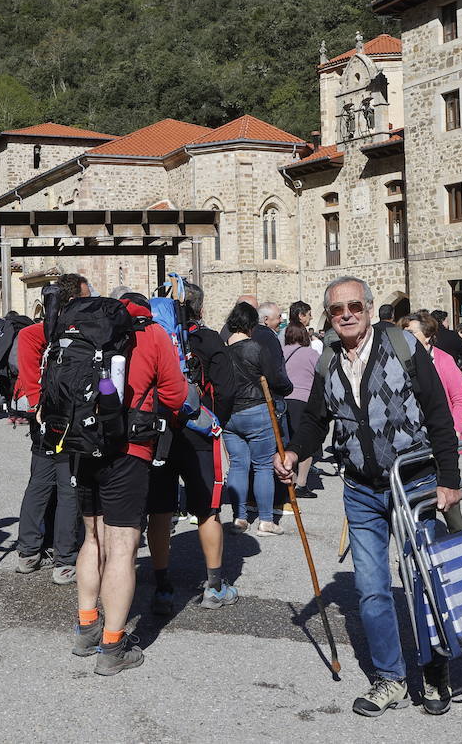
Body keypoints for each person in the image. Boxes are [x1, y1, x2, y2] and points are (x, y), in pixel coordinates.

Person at [274, 276, 461, 718]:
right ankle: (390, 679)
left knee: (420, 580)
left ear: (370, 306)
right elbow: (316, 420)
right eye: (337, 310)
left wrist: (448, 478)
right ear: (328, 317)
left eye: (354, 306)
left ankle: (434, 673)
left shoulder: (402, 347)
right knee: (372, 590)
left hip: (413, 483)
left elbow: (438, 413)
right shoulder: (328, 362)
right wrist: (296, 451)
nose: (346, 315)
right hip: (360, 489)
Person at [71, 291, 186, 676]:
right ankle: (113, 645)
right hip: (130, 449)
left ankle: (87, 625)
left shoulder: (82, 332)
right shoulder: (152, 334)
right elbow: (176, 393)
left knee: (92, 538)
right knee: (123, 546)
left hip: (83, 445)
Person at [146, 281, 239, 613]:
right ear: (199, 308)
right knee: (208, 509)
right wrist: (216, 423)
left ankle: (162, 587)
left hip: (158, 432)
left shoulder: (149, 337)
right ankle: (214, 586)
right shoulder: (210, 339)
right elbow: (227, 390)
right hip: (200, 434)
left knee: (159, 510)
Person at [13, 275, 85, 586]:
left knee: (40, 481)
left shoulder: (33, 333)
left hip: (41, 418)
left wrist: (33, 404)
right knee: (68, 486)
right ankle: (65, 560)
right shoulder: (70, 333)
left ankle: (28, 552)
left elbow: (28, 371)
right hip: (66, 416)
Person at [223, 302, 294, 536]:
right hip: (257, 410)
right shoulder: (256, 347)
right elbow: (276, 379)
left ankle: (239, 517)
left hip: (231, 414)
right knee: (263, 466)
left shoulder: (223, 350)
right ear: (252, 324)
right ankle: (265, 520)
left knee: (238, 465)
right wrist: (287, 387)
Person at [405, 313, 462, 432]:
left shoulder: (444, 360)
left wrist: (454, 430)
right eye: (403, 333)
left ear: (427, 335)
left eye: (410, 333)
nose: (404, 337)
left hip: (443, 431)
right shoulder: (401, 361)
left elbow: (459, 399)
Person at [281, 318, 321, 498]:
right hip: (304, 400)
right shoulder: (310, 354)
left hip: (284, 400)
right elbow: (321, 375)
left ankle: (291, 479)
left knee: (289, 442)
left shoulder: (280, 352)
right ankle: (302, 484)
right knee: (305, 442)